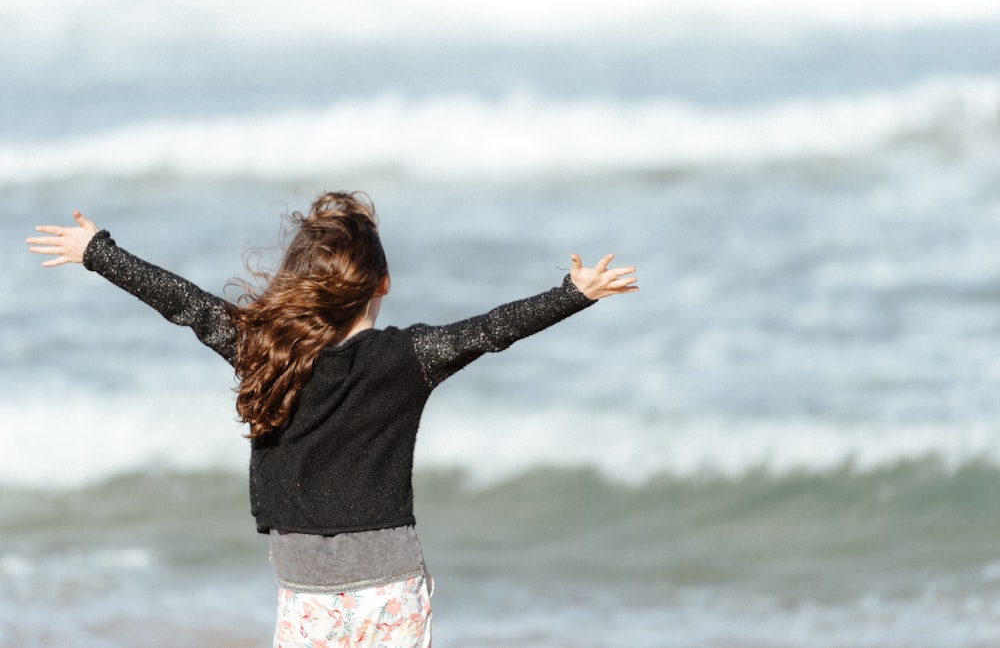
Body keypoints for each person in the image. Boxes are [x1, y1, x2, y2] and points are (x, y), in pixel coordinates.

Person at [26, 191, 638, 648]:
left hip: (301, 588)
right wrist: (573, 294)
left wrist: (99, 254)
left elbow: (187, 306)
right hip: (389, 584)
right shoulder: (409, 358)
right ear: (384, 284)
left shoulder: (262, 348)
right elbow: (488, 332)